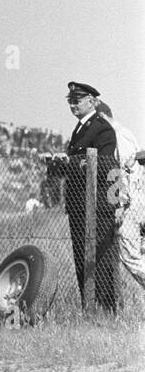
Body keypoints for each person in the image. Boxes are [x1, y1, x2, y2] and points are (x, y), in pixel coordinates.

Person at [63, 81, 118, 311]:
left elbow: (103, 166)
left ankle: (105, 308)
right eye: (70, 101)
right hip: (78, 204)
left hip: (95, 206)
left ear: (91, 101)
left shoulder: (101, 128)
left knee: (101, 259)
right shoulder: (79, 129)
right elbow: (81, 163)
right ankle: (89, 306)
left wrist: (72, 163)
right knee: (81, 257)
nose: (73, 104)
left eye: (77, 100)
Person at [96, 99, 145, 292]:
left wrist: (119, 205)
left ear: (101, 116)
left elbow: (120, 173)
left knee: (130, 257)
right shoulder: (127, 133)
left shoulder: (114, 136)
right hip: (140, 199)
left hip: (130, 204)